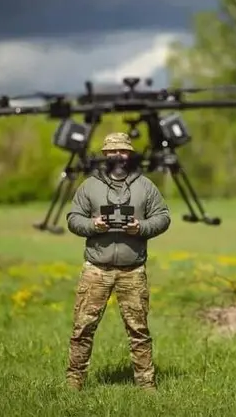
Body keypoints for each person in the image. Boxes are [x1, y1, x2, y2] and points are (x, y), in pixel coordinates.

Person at [64, 132, 171, 392]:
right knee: (82, 329)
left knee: (139, 331)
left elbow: (163, 217)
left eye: (122, 150)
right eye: (111, 151)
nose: (117, 155)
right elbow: (73, 218)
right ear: (105, 155)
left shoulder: (145, 186)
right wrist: (93, 225)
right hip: (96, 270)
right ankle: (74, 382)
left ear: (130, 154)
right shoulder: (89, 186)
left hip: (133, 271)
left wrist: (141, 227)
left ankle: (146, 384)